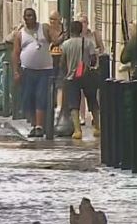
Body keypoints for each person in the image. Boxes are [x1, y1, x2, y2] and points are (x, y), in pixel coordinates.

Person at [12, 7, 61, 138]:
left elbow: (55, 39)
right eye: (27, 16)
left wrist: (58, 33)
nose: (30, 18)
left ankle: (40, 126)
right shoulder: (20, 34)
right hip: (27, 71)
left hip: (45, 70)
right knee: (28, 98)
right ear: (24, 18)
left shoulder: (44, 28)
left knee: (41, 96)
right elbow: (16, 53)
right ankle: (34, 125)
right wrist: (16, 71)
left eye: (32, 15)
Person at [61, 21, 99, 140]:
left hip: (71, 77)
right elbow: (93, 59)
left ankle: (77, 130)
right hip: (86, 76)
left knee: (74, 104)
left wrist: (66, 72)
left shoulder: (65, 44)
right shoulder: (88, 43)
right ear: (81, 30)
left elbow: (62, 62)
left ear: (70, 30)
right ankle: (97, 127)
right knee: (92, 101)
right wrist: (88, 64)